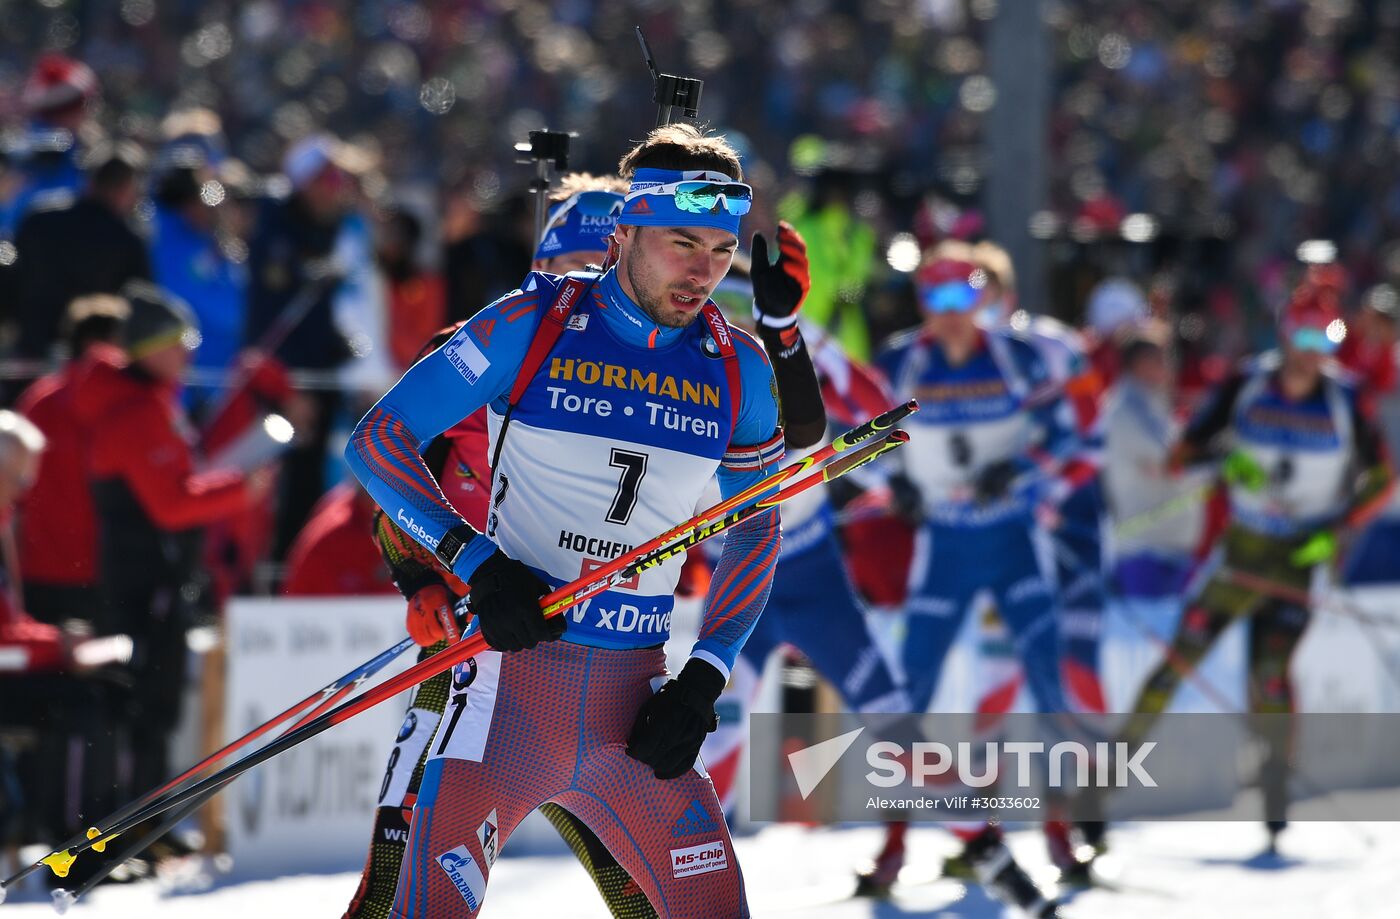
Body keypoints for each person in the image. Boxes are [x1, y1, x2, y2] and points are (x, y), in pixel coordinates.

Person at [347, 125, 784, 918]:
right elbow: (378, 441)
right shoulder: (533, 322)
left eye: (721, 250)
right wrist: (468, 561)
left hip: (635, 701)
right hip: (505, 690)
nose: (703, 270)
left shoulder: (737, 364)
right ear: (624, 232)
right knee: (397, 907)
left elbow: (755, 527)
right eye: (681, 242)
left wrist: (704, 675)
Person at [1114, 268, 1395, 851]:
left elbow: (1384, 479)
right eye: (1303, 338)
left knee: (1269, 677)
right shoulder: (1246, 384)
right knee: (1176, 663)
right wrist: (1225, 461)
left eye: (1326, 341)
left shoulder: (1345, 399)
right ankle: (1104, 782)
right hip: (1241, 553)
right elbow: (1183, 452)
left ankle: (1273, 801)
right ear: (1285, 334)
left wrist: (1339, 529)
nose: (1312, 354)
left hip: (1296, 560)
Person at [863, 243, 1077, 917]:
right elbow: (862, 442)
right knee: (908, 690)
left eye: (965, 297)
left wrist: (1019, 471)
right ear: (923, 303)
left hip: (1012, 540)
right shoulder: (903, 361)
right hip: (946, 547)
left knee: (1048, 679)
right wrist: (895, 487)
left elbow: (1069, 434)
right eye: (938, 299)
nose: (953, 315)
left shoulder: (1019, 356)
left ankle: (1059, 834)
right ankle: (893, 844)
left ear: (984, 297)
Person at [81, 281, 251, 797]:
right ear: (150, 348)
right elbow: (172, 506)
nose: (187, 353)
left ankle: (146, 820)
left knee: (158, 704)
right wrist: (240, 488)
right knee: (137, 706)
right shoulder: (135, 411)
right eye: (178, 342)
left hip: (153, 576)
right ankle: (121, 827)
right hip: (139, 582)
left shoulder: (149, 401)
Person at [244, 132, 367, 560]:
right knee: (280, 492)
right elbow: (266, 333)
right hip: (286, 389)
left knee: (313, 487)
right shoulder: (277, 239)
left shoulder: (328, 231)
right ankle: (278, 580)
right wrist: (288, 392)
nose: (335, 189)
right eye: (325, 179)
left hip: (320, 378)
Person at [15, 295, 129, 628]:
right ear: (96, 346)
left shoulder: (38, 401)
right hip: (100, 572)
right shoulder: (120, 406)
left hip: (41, 569)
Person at [11, 144, 149, 370]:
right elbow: (141, 300)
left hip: (30, 352)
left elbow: (10, 275)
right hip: (89, 365)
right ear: (125, 189)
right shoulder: (126, 238)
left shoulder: (38, 219)